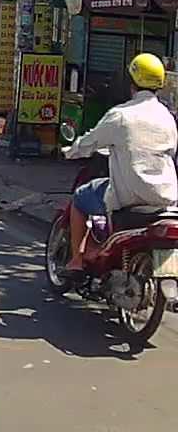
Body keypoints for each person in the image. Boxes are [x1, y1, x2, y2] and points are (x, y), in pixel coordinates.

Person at [63, 52, 178, 272]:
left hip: (128, 195)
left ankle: (76, 260)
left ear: (131, 83)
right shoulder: (168, 118)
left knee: (79, 198)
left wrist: (70, 151)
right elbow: (170, 151)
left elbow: (89, 143)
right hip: (165, 199)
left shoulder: (120, 115)